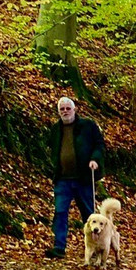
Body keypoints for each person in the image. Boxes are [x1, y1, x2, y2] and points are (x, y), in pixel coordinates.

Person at [45, 97, 105, 259]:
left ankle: (95, 247)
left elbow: (100, 145)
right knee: (60, 212)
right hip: (63, 179)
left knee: (89, 215)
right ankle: (59, 247)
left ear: (74, 109)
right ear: (58, 111)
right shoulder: (55, 129)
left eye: (68, 108)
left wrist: (95, 159)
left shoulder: (88, 126)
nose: (65, 111)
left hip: (83, 178)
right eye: (62, 109)